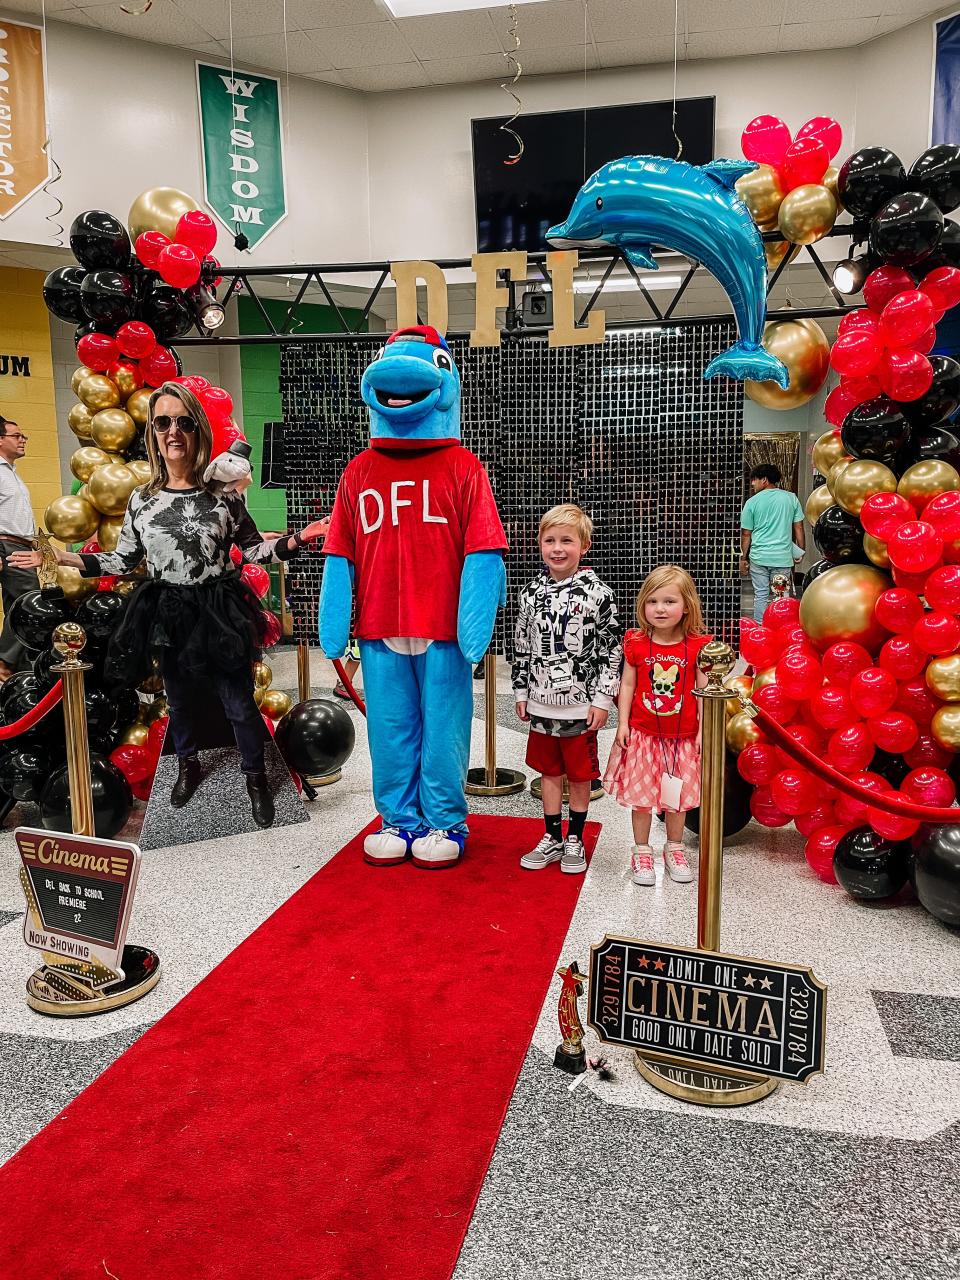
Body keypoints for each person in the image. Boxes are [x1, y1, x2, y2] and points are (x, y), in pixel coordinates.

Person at [11, 383, 327, 828]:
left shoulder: (223, 494)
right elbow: (123, 559)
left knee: (238, 703)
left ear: (197, 428)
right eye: (163, 422)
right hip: (167, 611)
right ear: (153, 433)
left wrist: (302, 537)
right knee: (179, 701)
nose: (173, 431)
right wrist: (64, 556)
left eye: (183, 421)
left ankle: (255, 779)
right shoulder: (142, 498)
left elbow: (254, 551)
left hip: (219, 610)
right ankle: (188, 766)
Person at [513, 504, 621, 875]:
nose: (558, 549)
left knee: (578, 774)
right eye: (550, 541)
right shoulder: (530, 593)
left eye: (567, 541)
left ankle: (575, 836)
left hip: (581, 706)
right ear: (539, 544)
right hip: (542, 703)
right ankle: (552, 836)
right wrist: (521, 691)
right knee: (548, 772)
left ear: (584, 545)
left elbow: (612, 650)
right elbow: (522, 645)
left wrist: (603, 699)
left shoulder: (599, 594)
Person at [603, 565, 711, 888]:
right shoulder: (636, 643)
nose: (660, 609)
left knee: (674, 798)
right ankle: (641, 850)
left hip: (681, 741)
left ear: (687, 606)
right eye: (652, 602)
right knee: (642, 798)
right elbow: (627, 685)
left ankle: (674, 848)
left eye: (668, 601)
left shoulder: (697, 646)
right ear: (642, 606)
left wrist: (705, 731)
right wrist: (622, 723)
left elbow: (705, 693)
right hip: (643, 738)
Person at [740, 463, 805, 622]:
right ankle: (782, 627)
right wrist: (801, 550)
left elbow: (746, 534)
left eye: (754, 480)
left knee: (760, 595)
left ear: (764, 480)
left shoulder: (752, 502)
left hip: (758, 558)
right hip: (782, 559)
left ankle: (760, 629)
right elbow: (798, 527)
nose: (752, 483)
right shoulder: (791, 498)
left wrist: (743, 558)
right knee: (781, 596)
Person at [0, 415, 38, 679]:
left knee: (16, 605)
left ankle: (19, 671)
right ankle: (4, 661)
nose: (23, 439)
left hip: (22, 546)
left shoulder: (12, 474)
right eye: (17, 436)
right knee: (29, 602)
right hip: (8, 546)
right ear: (0, 440)